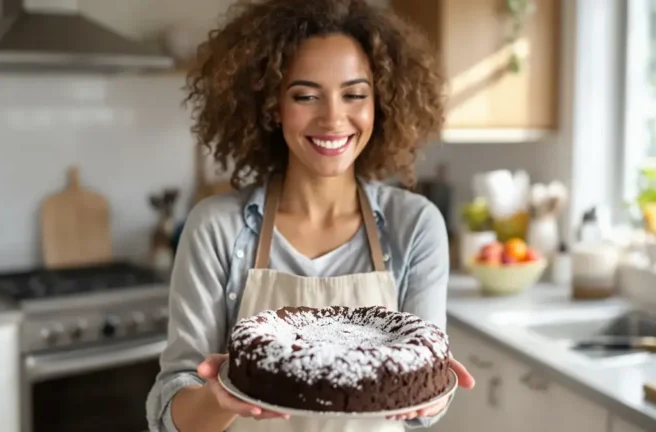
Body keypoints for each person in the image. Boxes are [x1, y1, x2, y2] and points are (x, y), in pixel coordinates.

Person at [145, 0, 475, 431]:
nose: (333, 118)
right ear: (271, 105)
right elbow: (172, 417)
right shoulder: (216, 228)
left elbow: (418, 407)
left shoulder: (414, 225)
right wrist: (221, 398)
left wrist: (428, 396)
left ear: (381, 104)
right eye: (305, 95)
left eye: (355, 94)